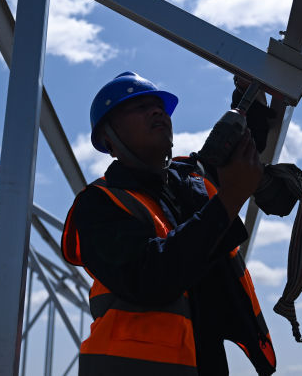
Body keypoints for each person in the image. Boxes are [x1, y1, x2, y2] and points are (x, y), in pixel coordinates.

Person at [61, 71, 278, 375]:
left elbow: (241, 145)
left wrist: (247, 91)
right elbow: (149, 277)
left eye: (159, 107)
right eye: (139, 107)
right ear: (109, 137)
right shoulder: (97, 204)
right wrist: (228, 201)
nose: (157, 112)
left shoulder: (191, 180)